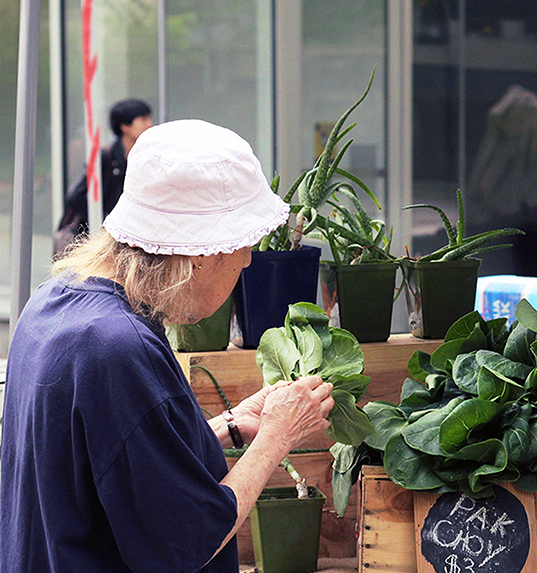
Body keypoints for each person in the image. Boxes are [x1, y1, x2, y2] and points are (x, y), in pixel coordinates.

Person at [1, 119, 335, 572]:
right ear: (201, 254)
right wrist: (278, 436)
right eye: (241, 254)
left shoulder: (52, 305)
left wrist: (230, 426)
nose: (246, 264)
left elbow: (111, 461)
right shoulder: (117, 348)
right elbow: (189, 541)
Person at [54, 98, 154, 256]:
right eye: (143, 119)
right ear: (125, 126)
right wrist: (102, 218)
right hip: (95, 239)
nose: (149, 124)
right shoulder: (105, 157)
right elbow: (75, 196)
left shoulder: (143, 158)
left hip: (125, 240)